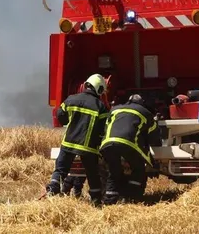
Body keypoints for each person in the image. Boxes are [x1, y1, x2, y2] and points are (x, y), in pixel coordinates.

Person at [46, 73, 110, 206]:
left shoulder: (71, 99)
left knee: (60, 170)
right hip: (88, 148)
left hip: (68, 143)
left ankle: (52, 193)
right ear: (98, 89)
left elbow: (60, 115)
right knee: (93, 175)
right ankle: (96, 202)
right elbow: (103, 129)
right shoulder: (101, 106)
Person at [100, 94, 162, 205]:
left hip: (107, 144)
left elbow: (106, 126)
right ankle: (131, 198)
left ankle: (109, 200)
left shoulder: (115, 109)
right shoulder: (145, 112)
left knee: (113, 171)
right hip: (129, 144)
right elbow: (153, 135)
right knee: (138, 169)